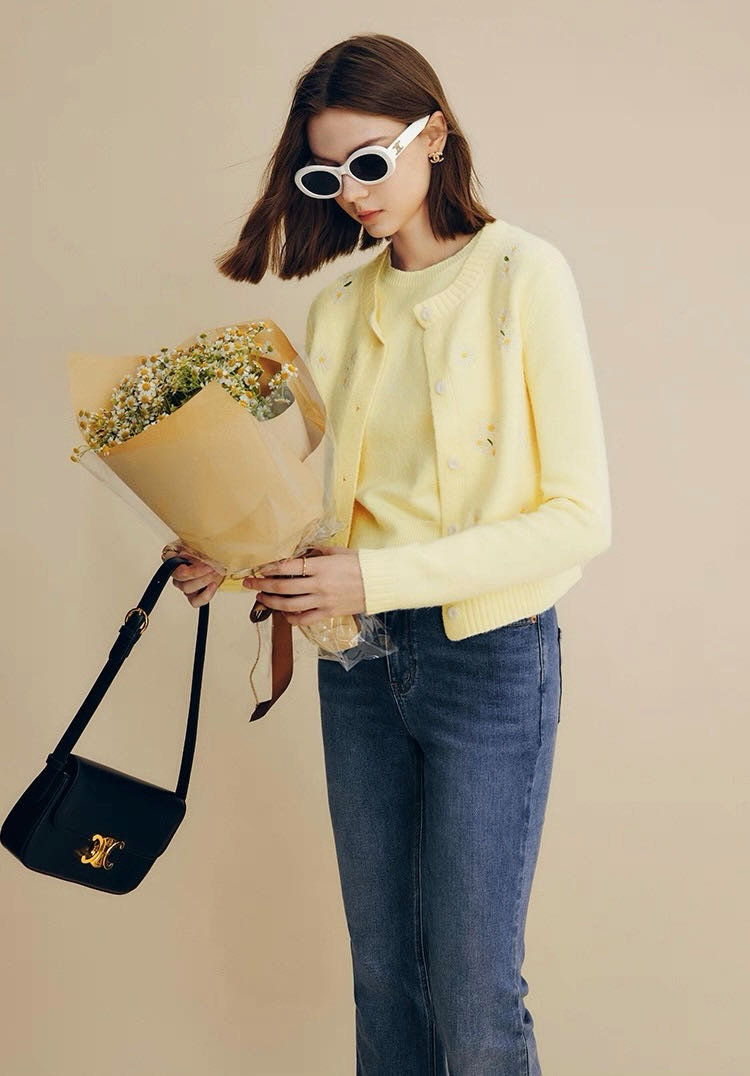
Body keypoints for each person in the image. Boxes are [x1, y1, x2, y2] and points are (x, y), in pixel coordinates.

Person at [170, 32, 612, 1076]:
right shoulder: (336, 308)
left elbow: (579, 518)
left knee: (475, 991)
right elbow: (324, 512)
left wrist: (370, 577)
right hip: (357, 662)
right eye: (328, 175)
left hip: (489, 659)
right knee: (385, 982)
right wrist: (227, 554)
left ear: (435, 134)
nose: (355, 192)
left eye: (370, 160)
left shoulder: (524, 276)